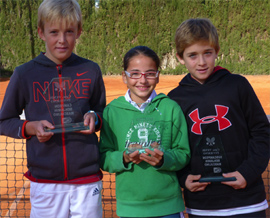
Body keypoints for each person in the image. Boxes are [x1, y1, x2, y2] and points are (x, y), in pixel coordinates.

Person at [0, 0, 106, 217]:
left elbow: (102, 112)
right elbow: (4, 121)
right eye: (54, 32)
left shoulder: (90, 70)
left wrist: (95, 118)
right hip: (45, 182)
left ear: (78, 32)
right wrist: (31, 127)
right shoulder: (24, 74)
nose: (62, 40)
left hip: (86, 181)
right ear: (41, 32)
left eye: (69, 32)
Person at [168, 18, 270, 218]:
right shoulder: (175, 98)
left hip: (247, 201)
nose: (202, 62)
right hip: (201, 204)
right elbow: (173, 148)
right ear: (180, 58)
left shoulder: (238, 85)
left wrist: (247, 173)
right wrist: (184, 178)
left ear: (216, 51)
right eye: (192, 55)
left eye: (207, 53)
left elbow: (262, 132)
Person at [99, 45, 190, 218]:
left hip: (168, 207)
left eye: (149, 73)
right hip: (130, 208)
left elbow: (184, 153)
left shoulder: (170, 108)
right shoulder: (112, 112)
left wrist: (165, 159)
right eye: (134, 73)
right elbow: (103, 156)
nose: (142, 80)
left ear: (157, 76)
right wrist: (124, 157)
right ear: (124, 77)